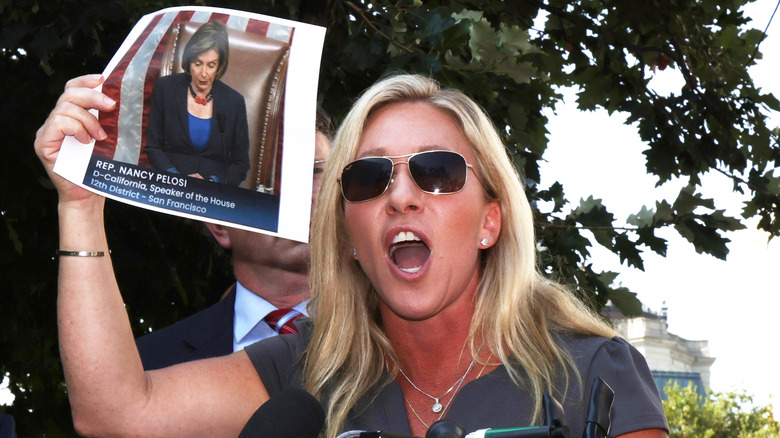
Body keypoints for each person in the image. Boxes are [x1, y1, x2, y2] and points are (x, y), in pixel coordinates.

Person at [35, 73, 668, 438]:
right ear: (349, 233)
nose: (400, 197)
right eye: (368, 179)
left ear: (491, 222)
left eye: (437, 172)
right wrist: (80, 205)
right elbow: (112, 412)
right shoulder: (308, 368)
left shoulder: (589, 374)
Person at [136, 110, 332, 370]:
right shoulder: (151, 365)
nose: (301, 198)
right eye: (268, 182)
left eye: (315, 172)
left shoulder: (395, 336)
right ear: (219, 224)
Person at [145, 21, 250, 186]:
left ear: (220, 66)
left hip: (213, 194)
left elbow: (241, 164)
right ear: (189, 60)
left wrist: (212, 181)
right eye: (198, 63)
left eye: (211, 65)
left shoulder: (234, 102)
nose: (203, 73)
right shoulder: (166, 88)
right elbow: (153, 147)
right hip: (168, 187)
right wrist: (175, 178)